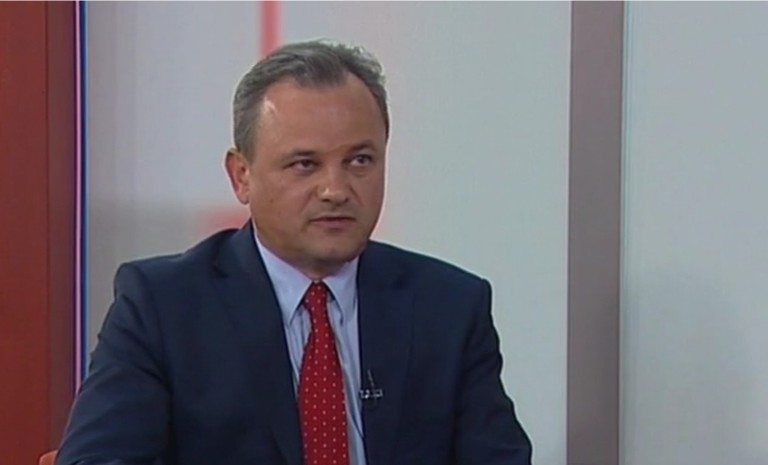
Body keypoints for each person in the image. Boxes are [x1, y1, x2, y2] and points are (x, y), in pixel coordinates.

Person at [55, 39, 532, 465]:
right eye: (305, 164)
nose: (335, 190)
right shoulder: (163, 307)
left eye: (359, 160)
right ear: (242, 176)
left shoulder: (448, 308)